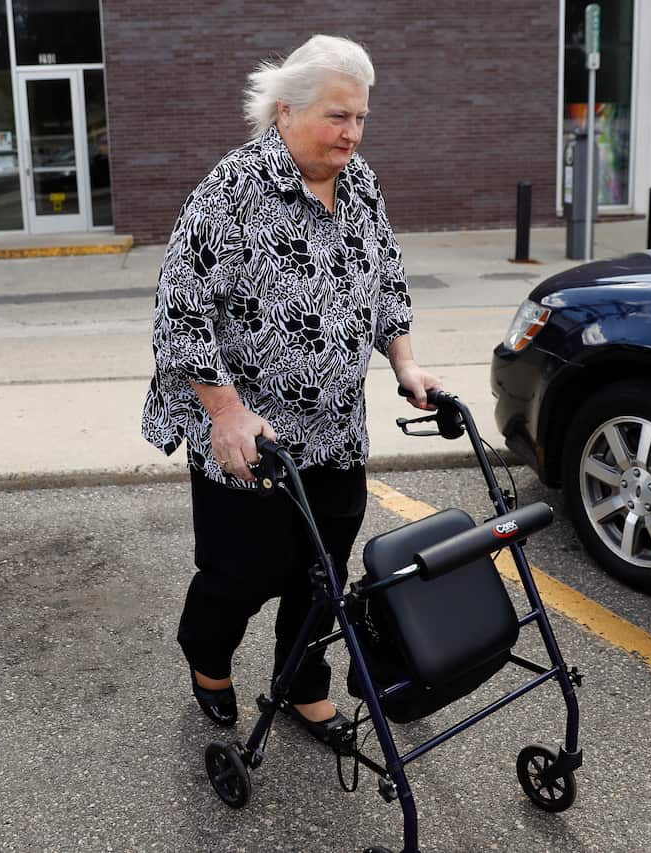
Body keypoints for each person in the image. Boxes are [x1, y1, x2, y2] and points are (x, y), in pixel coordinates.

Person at [142, 34, 439, 742]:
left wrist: (404, 363)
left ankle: (301, 684)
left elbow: (387, 278)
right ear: (286, 111)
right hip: (250, 439)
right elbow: (180, 311)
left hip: (336, 431)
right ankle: (208, 660)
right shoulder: (232, 188)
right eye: (338, 116)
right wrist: (226, 411)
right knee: (238, 575)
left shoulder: (361, 182)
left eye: (361, 118)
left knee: (321, 573)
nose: (353, 133)